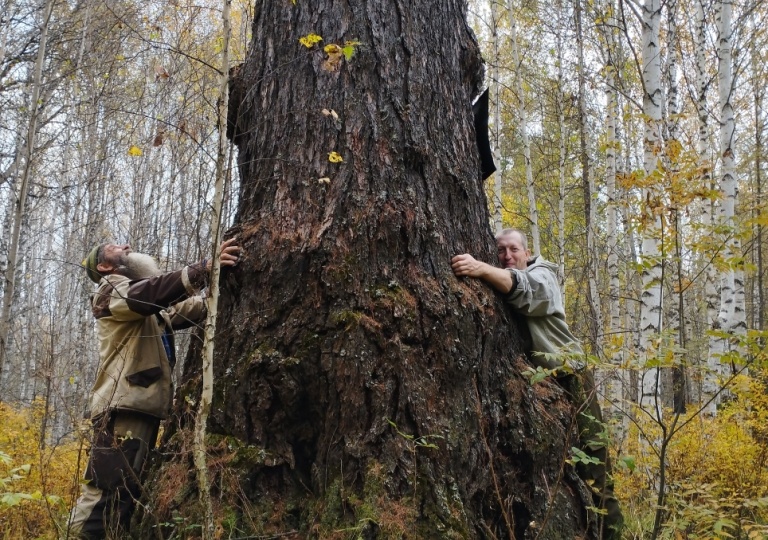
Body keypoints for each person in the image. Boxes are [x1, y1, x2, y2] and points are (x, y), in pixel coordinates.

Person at [452, 228, 623, 539]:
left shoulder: (543, 275)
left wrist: (479, 267)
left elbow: (525, 289)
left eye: (513, 249)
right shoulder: (502, 277)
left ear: (527, 253)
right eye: (501, 251)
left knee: (596, 474)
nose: (507, 256)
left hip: (573, 378)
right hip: (544, 386)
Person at [69, 238, 240, 539]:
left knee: (126, 498)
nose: (124, 245)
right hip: (122, 409)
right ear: (104, 266)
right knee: (106, 493)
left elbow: (188, 308)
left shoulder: (148, 309)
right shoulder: (110, 290)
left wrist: (221, 287)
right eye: (113, 246)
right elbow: (148, 295)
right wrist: (202, 269)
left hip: (139, 408)